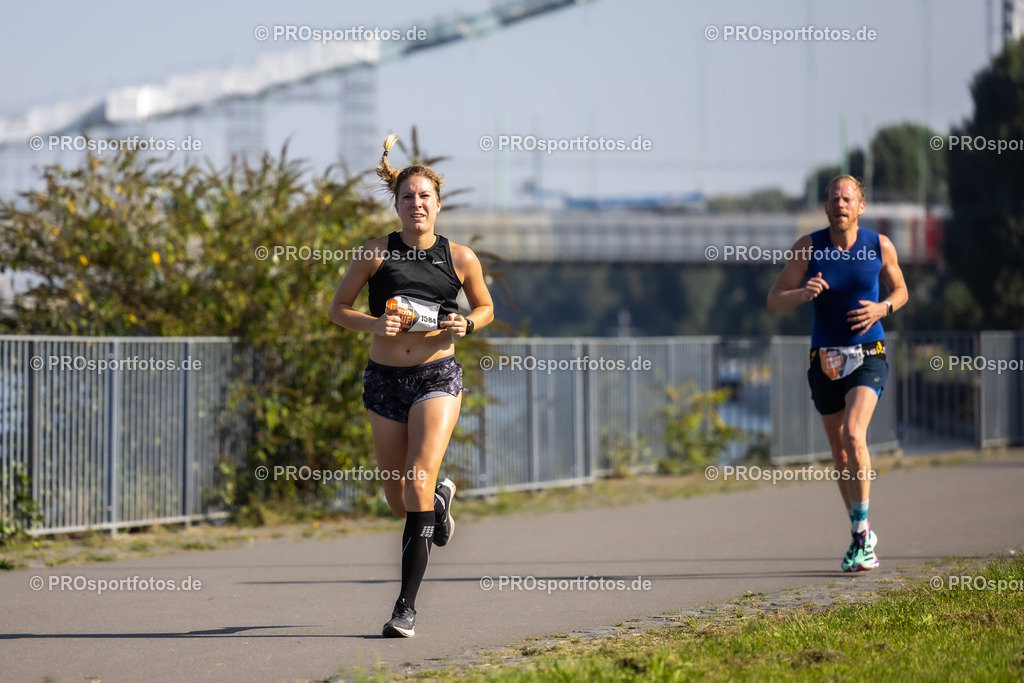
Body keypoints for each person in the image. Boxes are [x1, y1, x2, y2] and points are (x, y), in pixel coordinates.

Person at [328, 133, 494, 636]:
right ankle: (439, 502)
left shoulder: (460, 258)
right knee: (399, 499)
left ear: (438, 203)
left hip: (436, 375)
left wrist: (467, 324)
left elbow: (485, 307)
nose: (416, 204)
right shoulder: (375, 254)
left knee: (418, 477)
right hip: (384, 381)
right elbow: (338, 310)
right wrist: (375, 325)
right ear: (396, 204)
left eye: (424, 196)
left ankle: (405, 607)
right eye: (407, 196)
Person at [767, 175, 908, 572]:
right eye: (833, 198)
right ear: (825, 206)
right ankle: (860, 526)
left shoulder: (879, 245)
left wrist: (883, 309)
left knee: (853, 434)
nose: (839, 204)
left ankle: (861, 539)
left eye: (847, 198)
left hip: (869, 352)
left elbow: (901, 290)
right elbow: (774, 300)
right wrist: (802, 293)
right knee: (840, 452)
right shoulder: (808, 248)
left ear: (860, 207)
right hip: (825, 359)